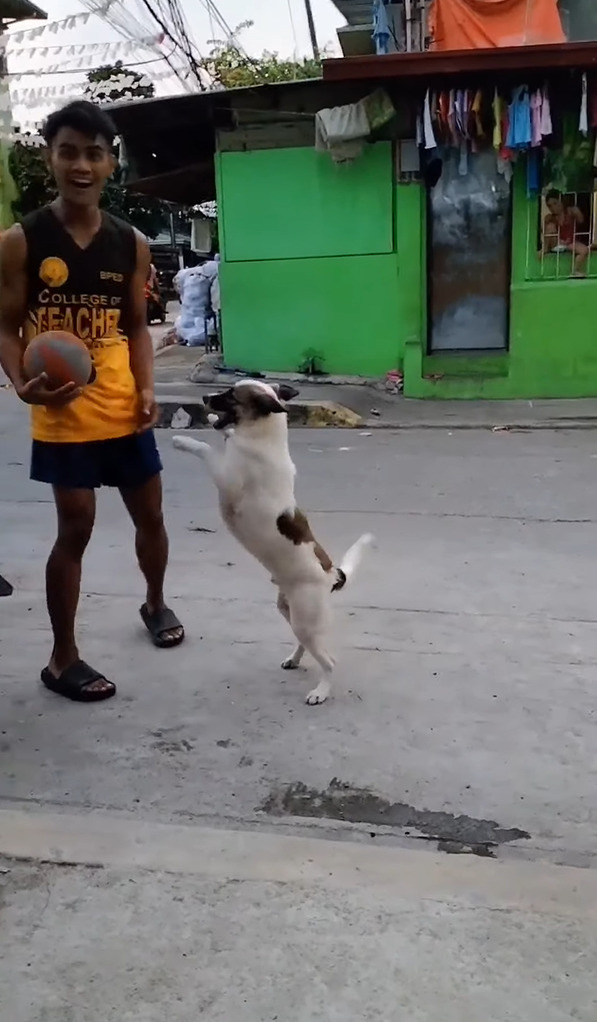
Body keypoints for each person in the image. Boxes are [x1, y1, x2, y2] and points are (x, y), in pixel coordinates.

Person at [0, 100, 184, 703]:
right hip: (60, 408)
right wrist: (19, 382)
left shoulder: (130, 244)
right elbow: (5, 325)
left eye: (94, 153)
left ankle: (155, 602)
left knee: (150, 516)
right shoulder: (21, 241)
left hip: (123, 405)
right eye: (68, 151)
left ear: (111, 163)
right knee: (74, 529)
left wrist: (148, 384)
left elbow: (135, 325)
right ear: (50, 157)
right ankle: (62, 659)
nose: (81, 164)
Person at [541, 189, 589, 278]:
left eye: (555, 203)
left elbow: (581, 220)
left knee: (584, 250)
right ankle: (545, 250)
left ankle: (575, 270)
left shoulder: (570, 212)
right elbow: (545, 233)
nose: (553, 208)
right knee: (550, 227)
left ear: (562, 201)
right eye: (549, 206)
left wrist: (577, 212)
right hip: (557, 242)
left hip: (569, 242)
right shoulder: (549, 218)